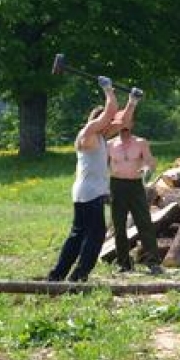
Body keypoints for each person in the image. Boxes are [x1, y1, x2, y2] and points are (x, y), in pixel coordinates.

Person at [47, 77, 132, 282]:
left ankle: (58, 275)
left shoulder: (100, 137)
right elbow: (111, 111)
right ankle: (78, 275)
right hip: (89, 192)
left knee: (78, 236)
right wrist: (108, 89)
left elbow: (122, 122)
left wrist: (133, 101)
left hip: (89, 192)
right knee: (95, 235)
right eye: (105, 122)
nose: (109, 125)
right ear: (97, 121)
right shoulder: (88, 133)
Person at [106, 117, 163, 275]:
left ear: (132, 124)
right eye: (121, 123)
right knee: (119, 225)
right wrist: (104, 188)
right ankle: (123, 263)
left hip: (135, 185)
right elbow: (103, 166)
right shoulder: (110, 144)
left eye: (127, 123)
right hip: (117, 185)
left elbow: (150, 161)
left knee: (144, 223)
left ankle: (153, 262)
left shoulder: (140, 142)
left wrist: (147, 169)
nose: (124, 126)